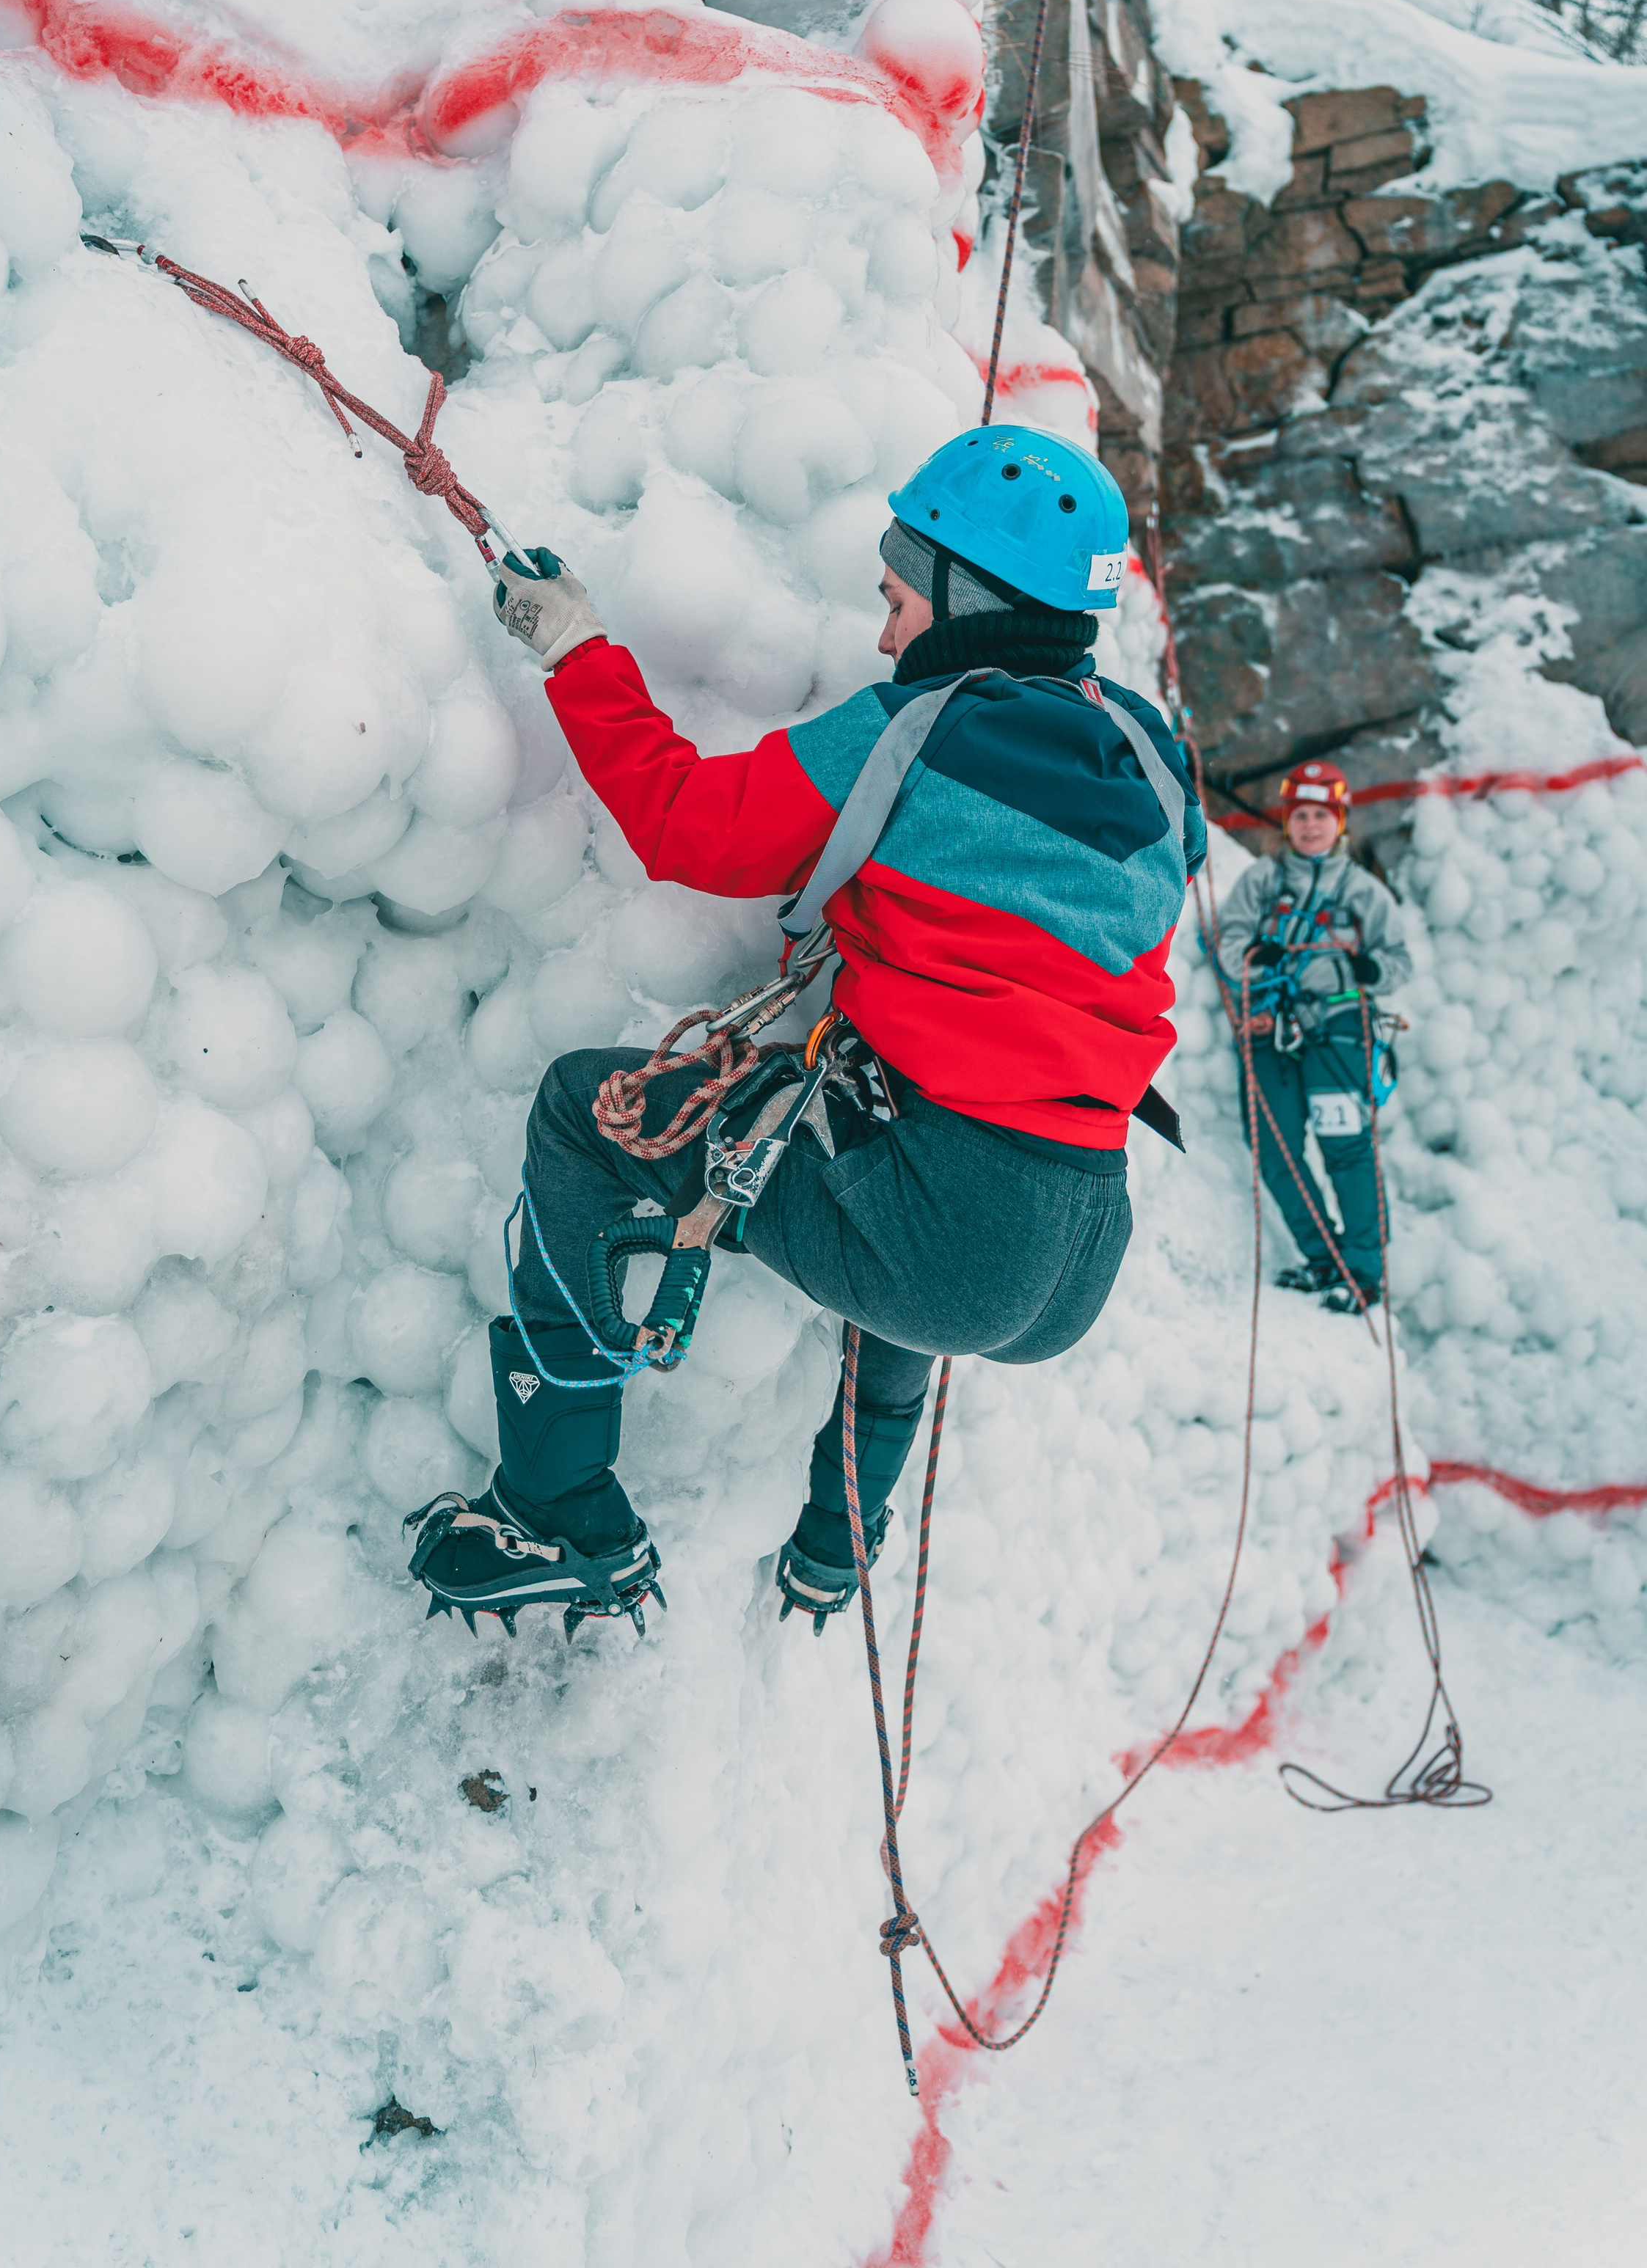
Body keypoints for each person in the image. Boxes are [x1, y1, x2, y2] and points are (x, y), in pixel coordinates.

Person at [405, 424, 1205, 1637]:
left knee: (583, 1110)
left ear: (962, 595)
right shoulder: (1149, 756)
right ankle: (837, 1550)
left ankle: (558, 1506)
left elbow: (682, 822)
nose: (887, 635)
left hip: (945, 1236)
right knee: (901, 1209)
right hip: (1078, 1239)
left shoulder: (917, 727)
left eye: (898, 600)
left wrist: (573, 647)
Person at [1213, 761, 1412, 1314]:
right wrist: (1256, 955)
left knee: (1346, 1148)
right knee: (1274, 1149)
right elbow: (1229, 945)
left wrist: (1370, 971)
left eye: (1320, 815)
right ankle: (1324, 1259)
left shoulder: (1364, 893)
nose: (1309, 825)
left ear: (1339, 821)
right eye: (1299, 814)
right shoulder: (1259, 883)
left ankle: (1364, 1274)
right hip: (1269, 1028)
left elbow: (1400, 963)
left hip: (1340, 1029)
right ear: (1286, 820)